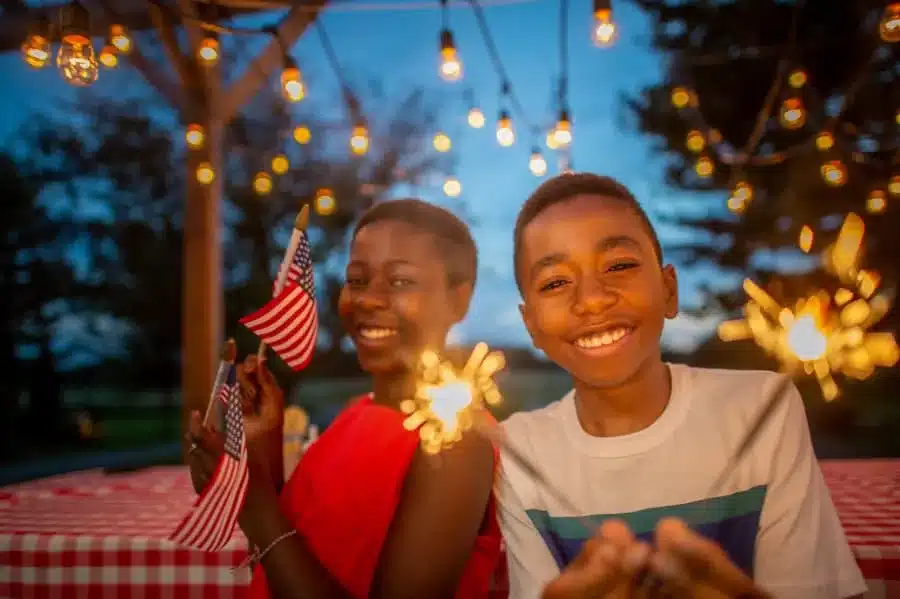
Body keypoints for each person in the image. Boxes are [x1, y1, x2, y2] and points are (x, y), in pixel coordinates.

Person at [497, 173, 866, 599]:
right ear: (531, 327)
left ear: (669, 290)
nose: (593, 299)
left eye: (619, 265)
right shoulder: (519, 452)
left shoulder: (763, 406)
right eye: (555, 283)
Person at [188, 199, 504, 599]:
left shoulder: (455, 443)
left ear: (458, 300)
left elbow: (270, 532)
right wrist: (264, 457)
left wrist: (253, 503)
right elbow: (299, 556)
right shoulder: (359, 412)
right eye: (356, 280)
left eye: (401, 281)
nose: (367, 300)